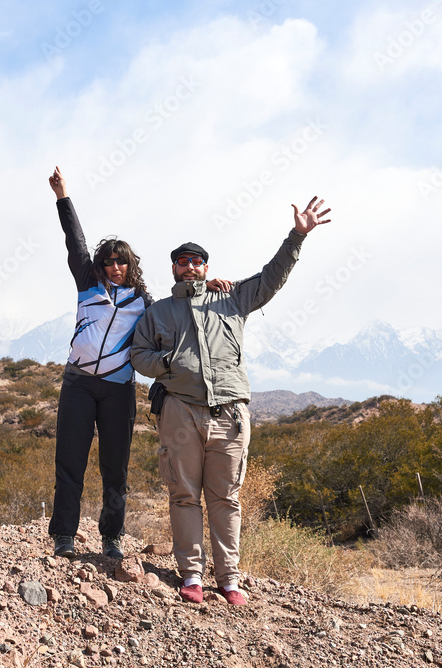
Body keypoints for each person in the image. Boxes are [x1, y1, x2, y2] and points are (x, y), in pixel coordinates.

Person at [130, 196, 331, 604]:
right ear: (174, 268)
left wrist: (298, 235)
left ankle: (230, 580)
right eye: (183, 262)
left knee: (226, 498)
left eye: (196, 262)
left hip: (230, 415)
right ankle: (191, 577)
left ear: (206, 267)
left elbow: (271, 278)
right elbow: (138, 355)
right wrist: (170, 362)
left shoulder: (233, 297)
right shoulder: (159, 313)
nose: (190, 267)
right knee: (184, 495)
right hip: (180, 411)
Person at [47, 166, 231, 560]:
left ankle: (111, 538)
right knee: (70, 464)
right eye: (110, 261)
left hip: (117, 391)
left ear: (131, 266)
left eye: (122, 262)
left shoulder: (144, 303)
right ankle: (64, 535)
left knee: (115, 470)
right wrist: (63, 196)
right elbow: (74, 240)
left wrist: (205, 286)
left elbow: (178, 305)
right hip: (78, 384)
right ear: (101, 263)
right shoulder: (87, 284)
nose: (115, 267)